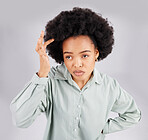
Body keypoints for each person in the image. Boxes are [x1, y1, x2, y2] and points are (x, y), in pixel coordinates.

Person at [10, 7, 141, 140]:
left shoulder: (108, 86)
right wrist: (42, 74)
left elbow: (133, 114)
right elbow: (21, 120)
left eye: (84, 55)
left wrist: (103, 128)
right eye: (69, 57)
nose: (77, 64)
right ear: (61, 56)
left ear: (96, 53)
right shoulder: (50, 82)